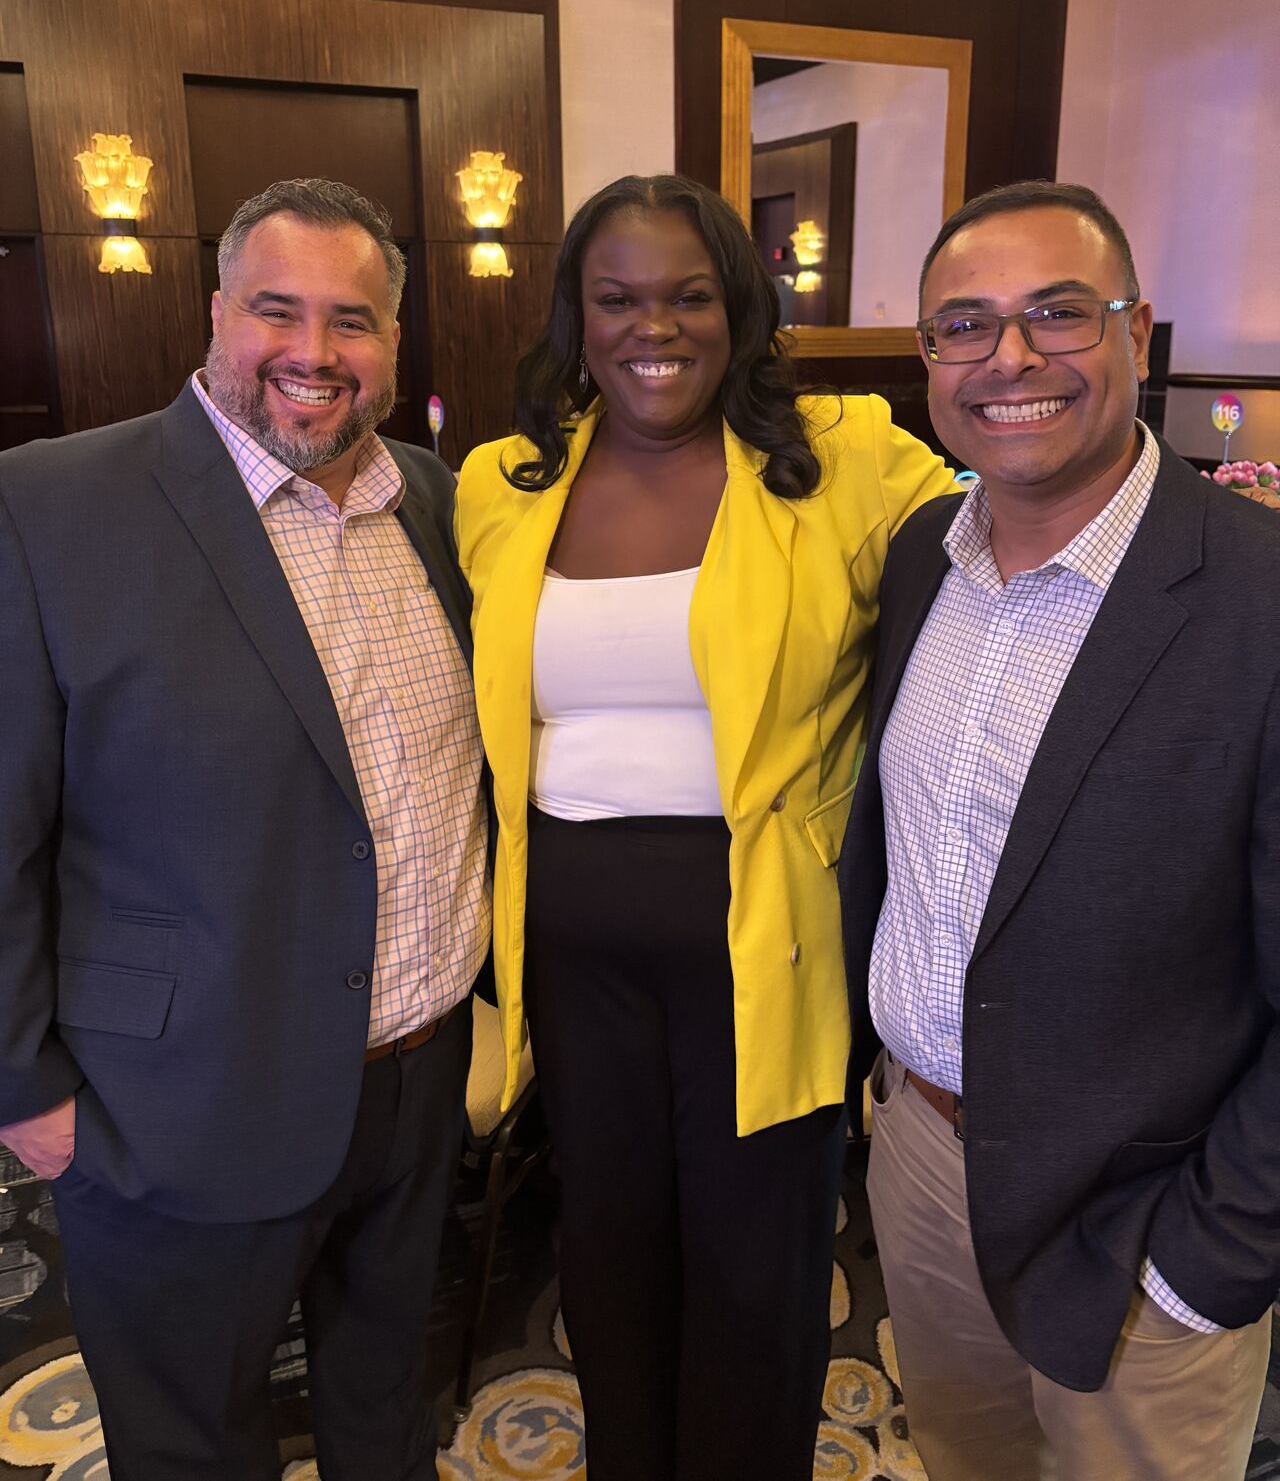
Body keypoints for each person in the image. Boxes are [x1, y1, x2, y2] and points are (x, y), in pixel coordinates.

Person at [454, 173, 954, 1481]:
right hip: (569, 946)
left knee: (757, 1264)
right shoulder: (505, 483)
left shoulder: (847, 463)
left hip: (763, 935)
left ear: (738, 308)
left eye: (687, 295)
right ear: (576, 312)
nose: (652, 327)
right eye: (617, 297)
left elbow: (999, 540)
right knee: (609, 1250)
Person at [0, 178, 490, 1481]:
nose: (315, 353)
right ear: (216, 310)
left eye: (354, 319)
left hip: (417, 1068)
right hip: (174, 1100)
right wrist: (23, 1090)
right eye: (278, 309)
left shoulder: (438, 507)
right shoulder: (48, 506)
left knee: (386, 1389)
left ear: (393, 337)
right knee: (193, 1433)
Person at [838, 179, 1280, 1481]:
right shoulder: (923, 555)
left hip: (1145, 1217)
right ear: (926, 361)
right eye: (962, 326)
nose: (1010, 357)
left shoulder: (1258, 601)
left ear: (1140, 334)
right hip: (924, 1169)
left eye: (1059, 313)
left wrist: (1210, 1263)